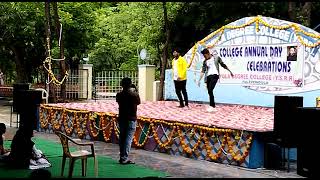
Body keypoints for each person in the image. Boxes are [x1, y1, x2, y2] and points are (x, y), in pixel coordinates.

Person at [116, 77, 141, 165]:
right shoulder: (133, 95)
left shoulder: (119, 95)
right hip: (131, 119)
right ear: (130, 85)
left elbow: (119, 102)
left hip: (122, 119)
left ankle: (121, 157)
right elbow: (138, 102)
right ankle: (124, 158)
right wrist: (135, 90)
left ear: (121, 85)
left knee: (122, 138)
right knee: (128, 139)